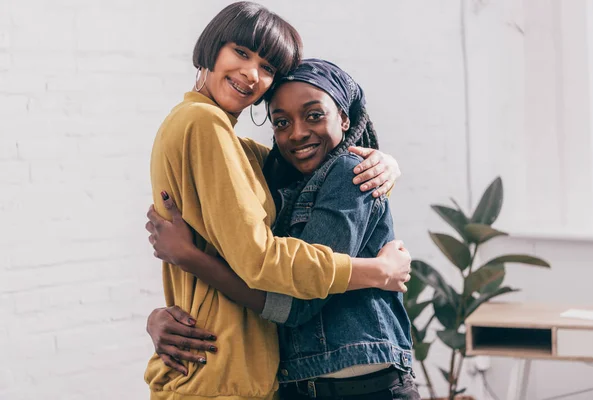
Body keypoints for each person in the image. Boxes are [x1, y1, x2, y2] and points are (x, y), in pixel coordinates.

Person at [145, 2, 411, 400]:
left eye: (267, 67)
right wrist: (375, 271)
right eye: (241, 52)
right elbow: (260, 259)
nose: (252, 74)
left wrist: (385, 162)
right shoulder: (204, 124)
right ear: (212, 47)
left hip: (239, 368)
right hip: (222, 368)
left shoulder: (233, 145)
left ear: (343, 118)